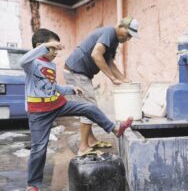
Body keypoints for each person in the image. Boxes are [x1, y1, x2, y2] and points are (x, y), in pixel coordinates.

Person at [19, 29, 132, 191]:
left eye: (57, 50)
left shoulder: (50, 64)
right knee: (39, 148)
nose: (56, 53)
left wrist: (70, 89)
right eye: (53, 49)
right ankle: (32, 185)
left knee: (88, 107)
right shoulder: (31, 64)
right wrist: (45, 46)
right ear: (40, 46)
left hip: (57, 104)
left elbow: (52, 86)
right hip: (39, 112)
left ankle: (114, 128)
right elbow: (21, 61)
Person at [64, 16, 139, 155]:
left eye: (130, 37)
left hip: (81, 72)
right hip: (75, 71)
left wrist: (123, 79)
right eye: (127, 34)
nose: (128, 38)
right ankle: (83, 147)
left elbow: (109, 62)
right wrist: (111, 78)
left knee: (88, 106)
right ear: (120, 26)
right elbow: (96, 54)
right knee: (89, 107)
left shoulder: (114, 40)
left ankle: (91, 140)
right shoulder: (109, 32)